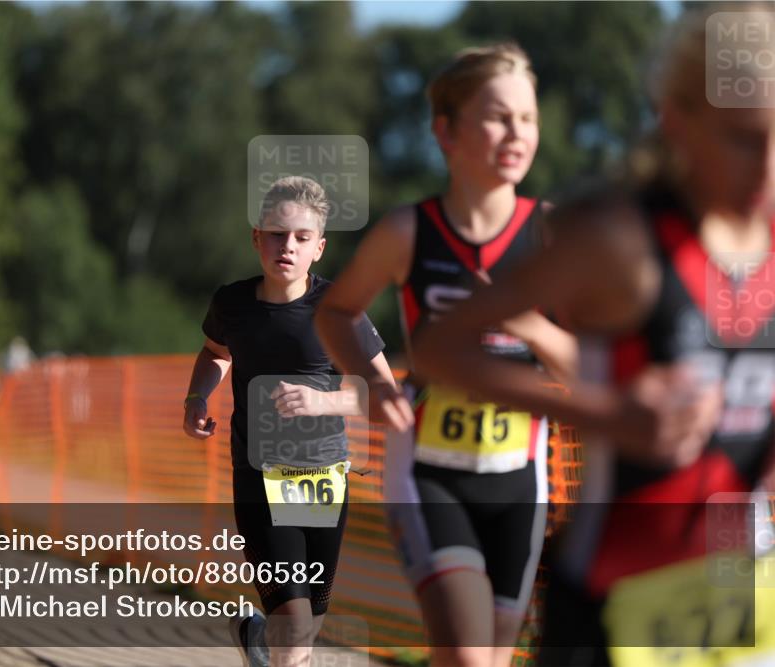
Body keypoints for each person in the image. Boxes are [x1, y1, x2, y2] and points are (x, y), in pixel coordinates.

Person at [409, 5, 775, 665]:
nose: (768, 167)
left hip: (735, 598)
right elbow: (439, 347)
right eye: (744, 139)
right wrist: (608, 413)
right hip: (612, 609)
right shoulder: (619, 238)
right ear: (679, 121)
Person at [315, 44, 577, 667]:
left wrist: (529, 325)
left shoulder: (555, 238)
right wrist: (376, 382)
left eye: (528, 118)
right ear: (447, 132)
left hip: (521, 478)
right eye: (497, 116)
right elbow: (336, 311)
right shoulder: (409, 232)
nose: (516, 133)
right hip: (429, 473)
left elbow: (588, 365)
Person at [183, 176, 397, 667]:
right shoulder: (231, 304)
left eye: (302, 238)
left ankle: (258, 639)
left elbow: (387, 395)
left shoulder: (338, 311)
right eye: (278, 234)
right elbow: (215, 354)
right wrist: (197, 397)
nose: (288, 246)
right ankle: (273, 643)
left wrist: (326, 403)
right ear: (256, 237)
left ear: (319, 248)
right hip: (258, 476)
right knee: (296, 632)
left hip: (323, 480)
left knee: (305, 626)